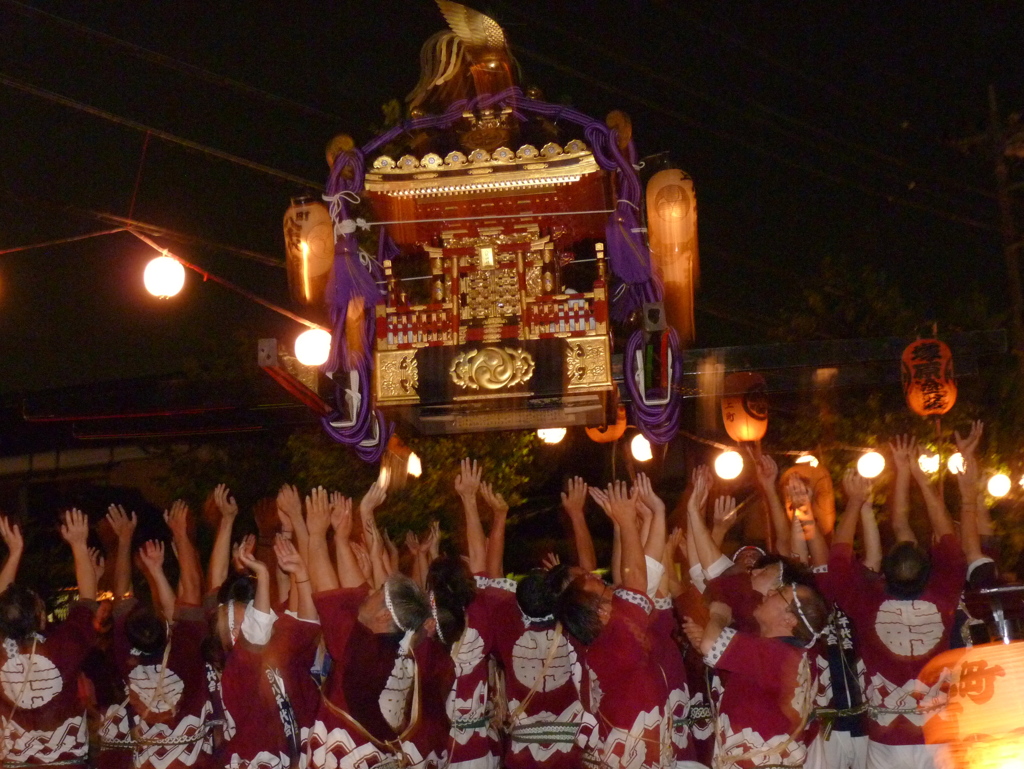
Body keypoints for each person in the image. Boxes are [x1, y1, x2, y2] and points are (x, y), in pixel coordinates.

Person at [821, 436, 965, 769]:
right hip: (939, 734)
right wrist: (919, 477)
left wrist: (855, 502)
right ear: (930, 571)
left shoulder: (868, 602)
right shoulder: (944, 593)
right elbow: (948, 538)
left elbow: (838, 559)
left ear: (882, 573)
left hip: (886, 740)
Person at [683, 582, 829, 768]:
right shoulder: (789, 654)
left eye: (780, 592)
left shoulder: (776, 653)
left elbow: (711, 643)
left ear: (789, 620)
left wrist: (719, 616)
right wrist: (709, 647)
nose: (769, 591)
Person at [0, 510, 99, 767]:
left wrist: (14, 552)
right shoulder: (61, 647)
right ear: (40, 617)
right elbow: (88, 600)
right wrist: (78, 544)